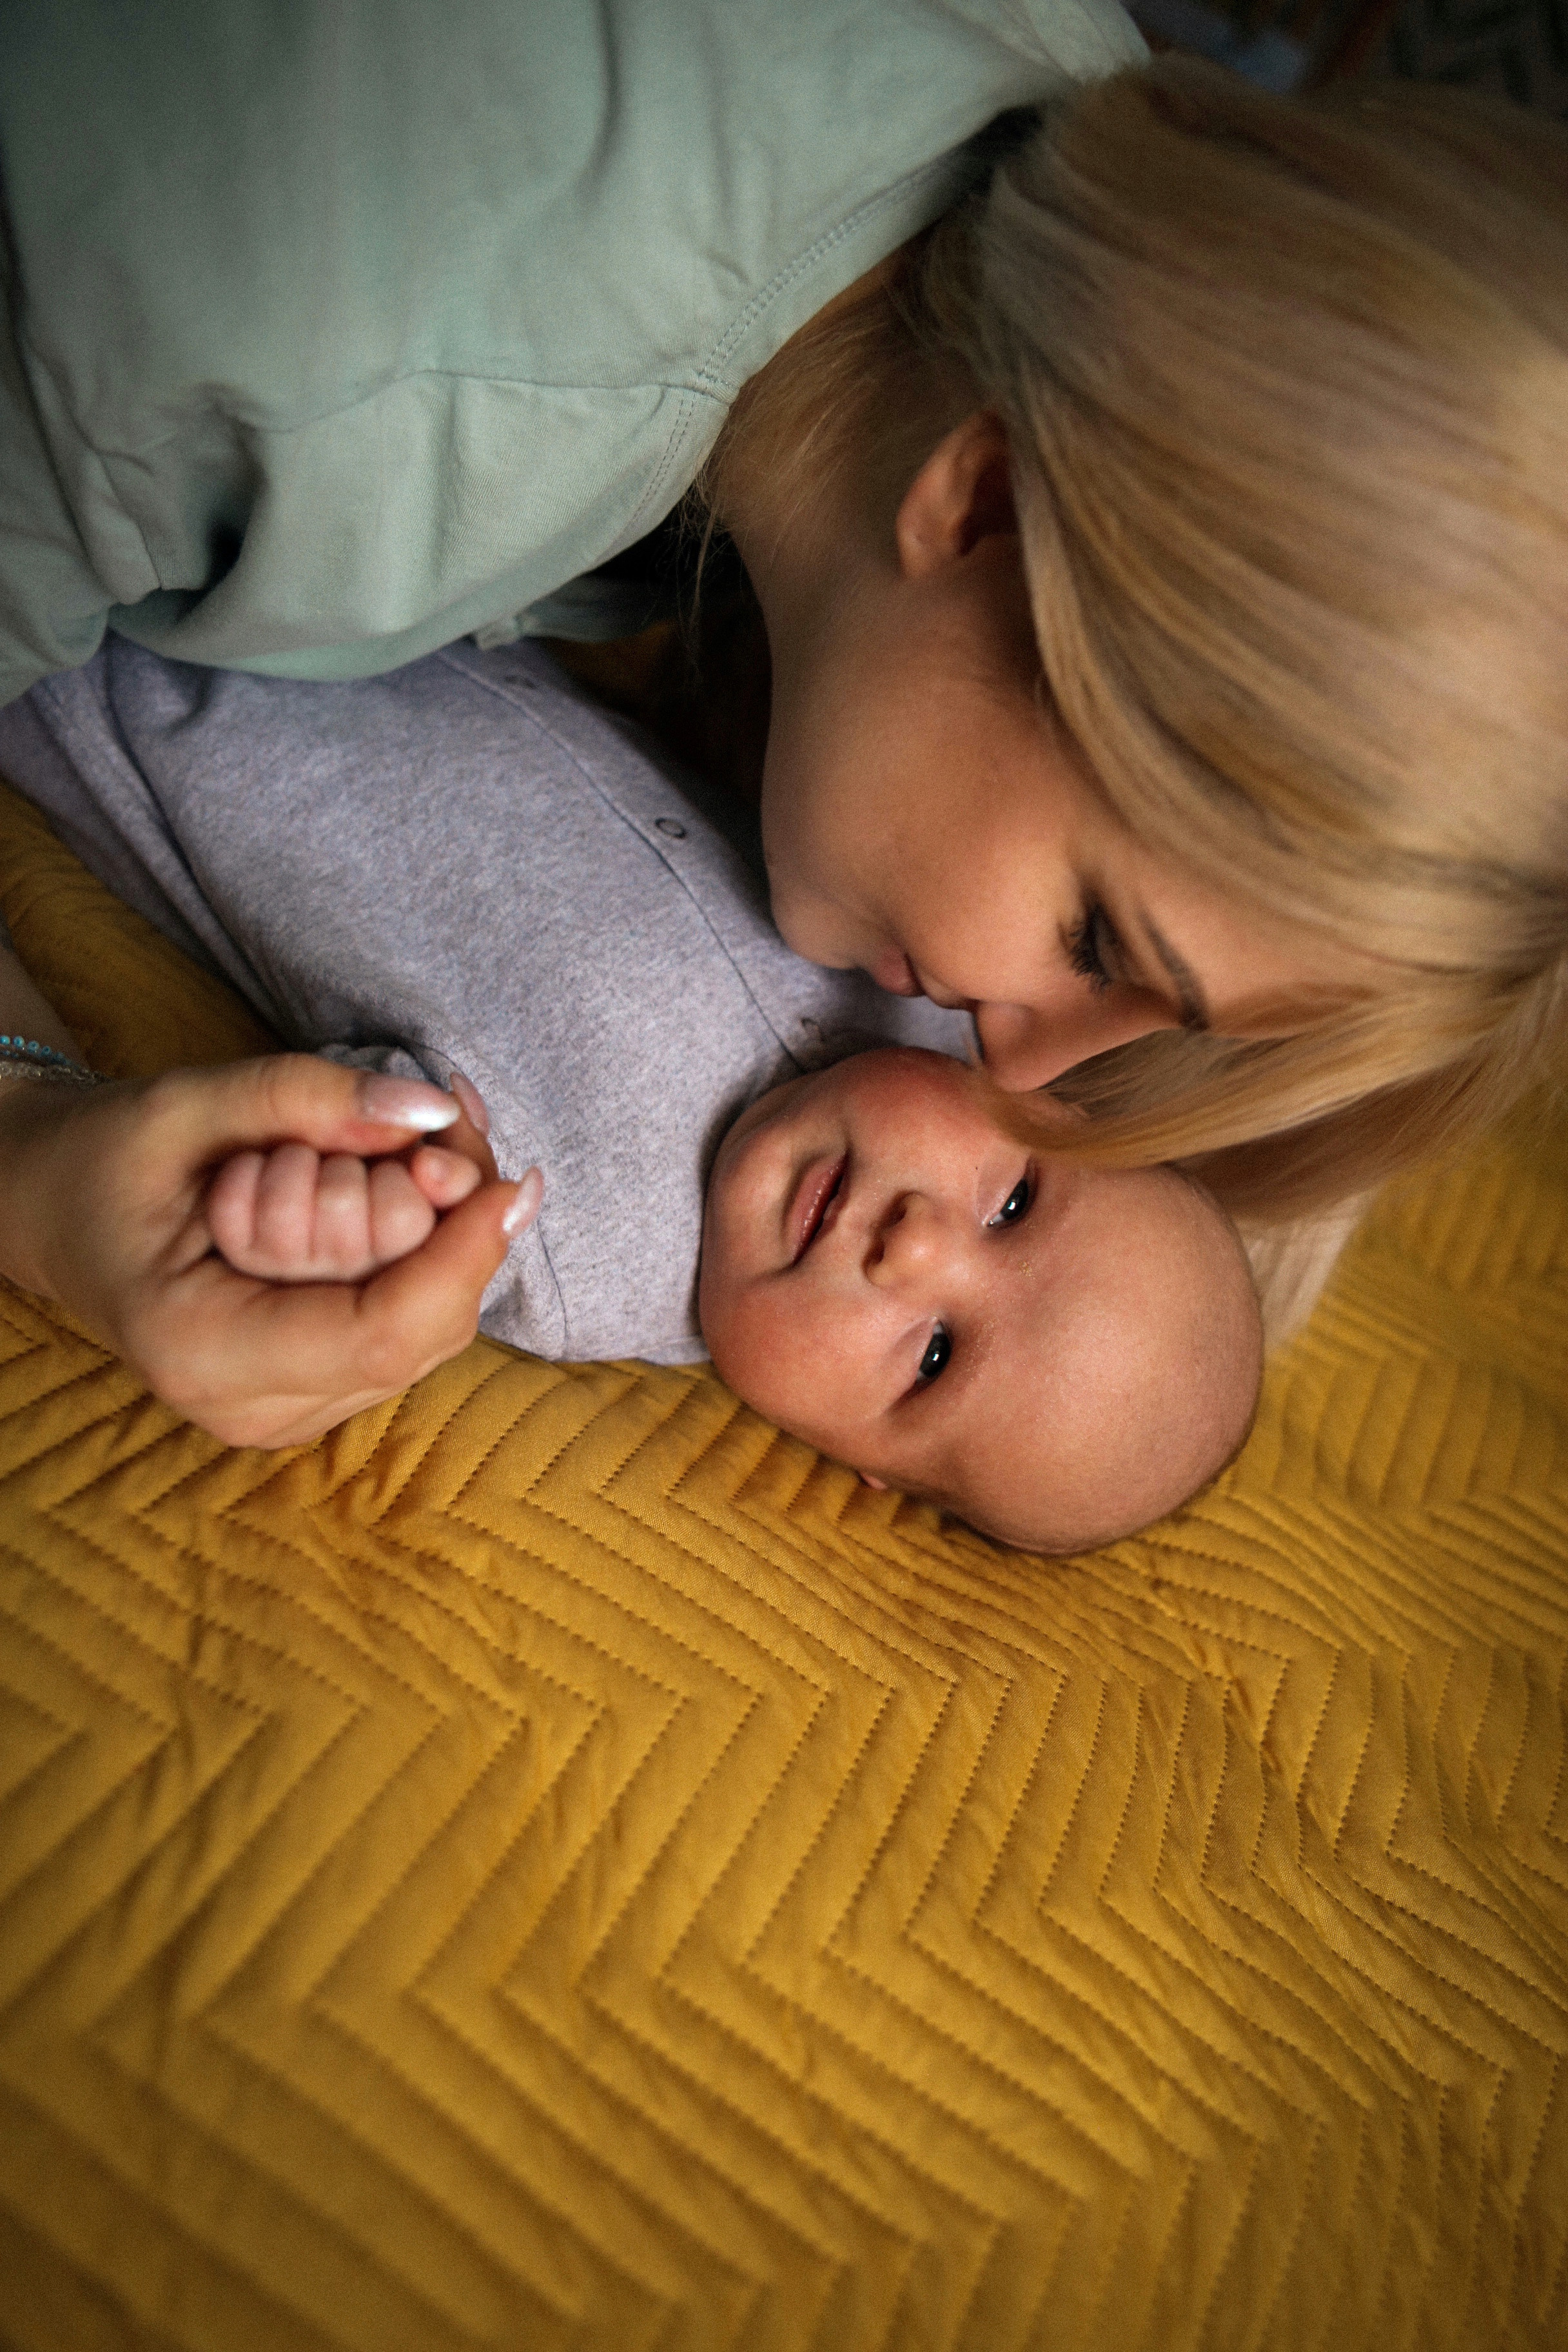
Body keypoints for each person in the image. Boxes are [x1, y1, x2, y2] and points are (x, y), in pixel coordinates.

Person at [1, 12, 1563, 1432]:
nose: (1015, 1064)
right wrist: (33, 1145)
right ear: (990, 506)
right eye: (1098, 942)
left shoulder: (1047, 154)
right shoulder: (312, 370)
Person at [0, 638, 1259, 1549]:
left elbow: (364, 1160)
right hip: (403, 601)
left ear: (857, 1464)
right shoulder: (935, 977)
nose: (916, 1245)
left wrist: (357, 1212)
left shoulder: (579, 1250)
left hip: (114, 671)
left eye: (934, 1357)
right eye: (1015, 1205)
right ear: (1050, 1103)